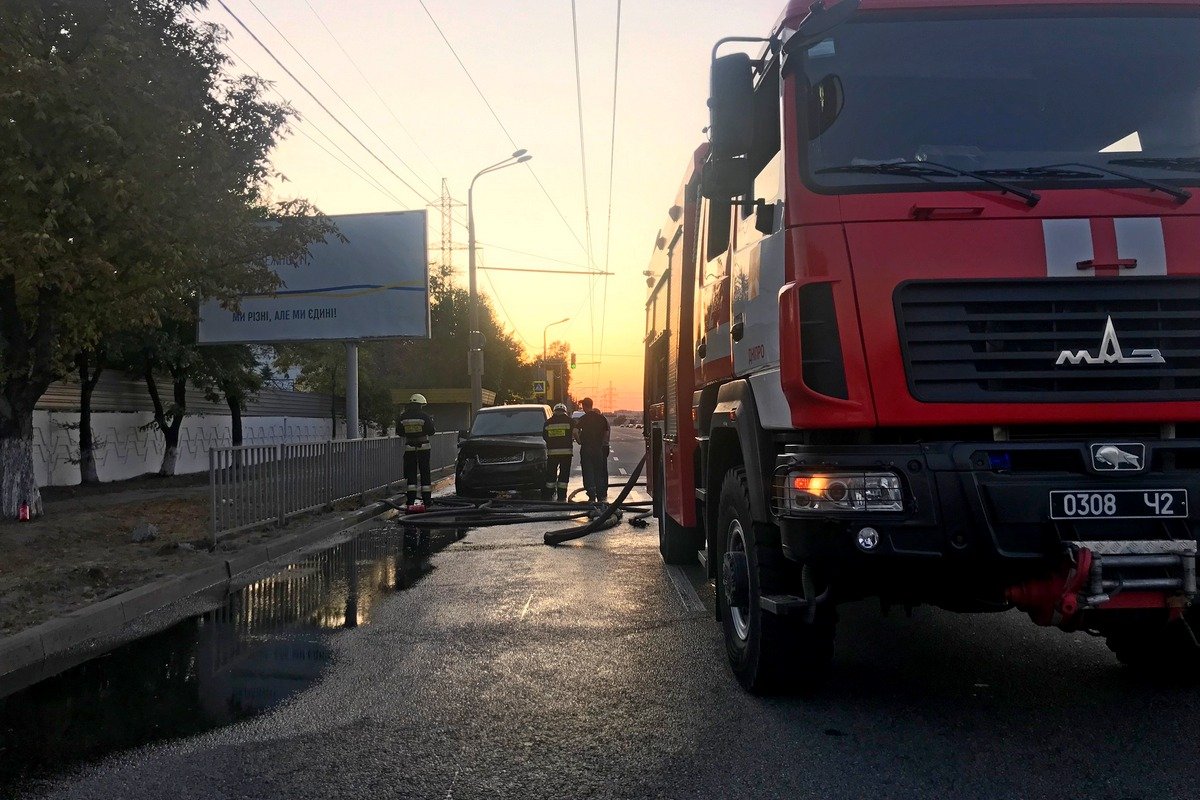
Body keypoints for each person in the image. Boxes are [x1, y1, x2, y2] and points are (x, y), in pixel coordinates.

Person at [398, 394, 435, 506]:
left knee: (411, 474)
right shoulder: (424, 416)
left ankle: (411, 501)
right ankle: (427, 501)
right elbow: (431, 431)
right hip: (423, 448)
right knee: (425, 473)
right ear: (420, 405)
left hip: (409, 448)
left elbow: (399, 432)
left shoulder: (403, 417)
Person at [574, 397, 610, 507]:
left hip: (586, 449)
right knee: (598, 472)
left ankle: (591, 494)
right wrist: (602, 442)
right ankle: (600, 495)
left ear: (585, 406)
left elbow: (575, 431)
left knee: (588, 471)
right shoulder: (601, 418)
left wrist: (579, 441)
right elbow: (606, 432)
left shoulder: (584, 418)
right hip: (598, 449)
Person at [542, 403, 574, 502]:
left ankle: (549, 494)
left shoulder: (548, 422)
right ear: (565, 411)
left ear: (554, 411)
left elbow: (544, 436)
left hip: (552, 453)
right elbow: (575, 433)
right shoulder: (570, 422)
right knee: (564, 473)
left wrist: (552, 443)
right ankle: (562, 495)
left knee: (551, 473)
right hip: (566, 453)